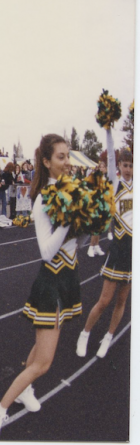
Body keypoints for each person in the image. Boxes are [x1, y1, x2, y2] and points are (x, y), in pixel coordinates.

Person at [0, 134, 81, 440]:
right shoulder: (43, 199)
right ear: (47, 162)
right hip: (50, 282)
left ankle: (26, 391)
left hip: (68, 278)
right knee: (44, 363)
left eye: (68, 156)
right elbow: (46, 251)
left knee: (40, 351)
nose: (67, 162)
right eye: (60, 157)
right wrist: (70, 219)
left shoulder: (72, 191)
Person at [76, 130, 132, 359]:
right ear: (119, 166)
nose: (128, 169)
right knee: (104, 300)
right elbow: (110, 159)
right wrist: (109, 129)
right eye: (125, 165)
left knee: (122, 301)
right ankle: (85, 333)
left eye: (131, 165)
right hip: (118, 249)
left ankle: (108, 337)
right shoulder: (116, 183)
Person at [86, 160, 108, 258]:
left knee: (100, 227)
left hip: (103, 204)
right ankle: (90, 247)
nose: (102, 169)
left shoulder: (105, 178)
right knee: (96, 227)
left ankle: (97, 245)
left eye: (104, 167)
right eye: (101, 167)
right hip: (96, 204)